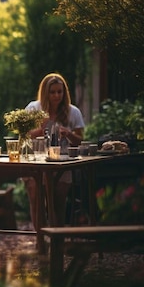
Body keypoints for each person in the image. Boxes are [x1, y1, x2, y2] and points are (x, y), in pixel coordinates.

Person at [23, 73, 84, 228]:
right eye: (52, 92)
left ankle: (57, 245)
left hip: (62, 164)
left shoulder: (73, 112)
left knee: (58, 203)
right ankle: (40, 244)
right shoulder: (33, 109)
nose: (57, 95)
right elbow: (23, 136)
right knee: (37, 201)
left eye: (60, 92)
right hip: (35, 163)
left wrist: (68, 133)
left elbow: (80, 140)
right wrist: (40, 129)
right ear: (45, 93)